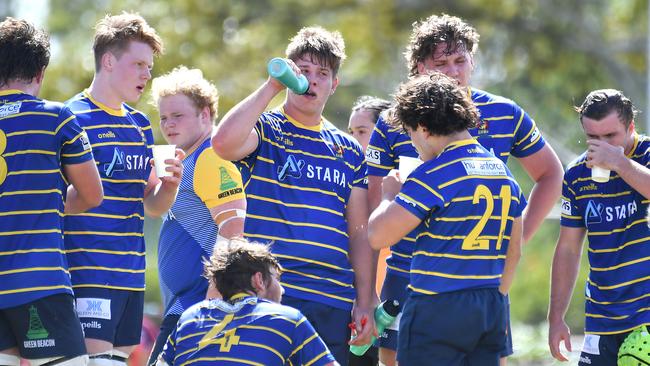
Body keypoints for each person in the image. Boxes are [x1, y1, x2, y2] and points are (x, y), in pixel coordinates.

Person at [365, 13, 564, 365]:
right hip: (410, 274)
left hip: (477, 276)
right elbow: (373, 214)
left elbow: (550, 174)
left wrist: (508, 246)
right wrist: (366, 292)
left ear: (473, 60)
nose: (453, 72)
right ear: (418, 68)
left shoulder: (504, 113)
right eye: (441, 63)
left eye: (460, 61)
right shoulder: (399, 118)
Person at [212, 26, 375, 365]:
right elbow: (223, 143)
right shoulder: (268, 128)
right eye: (303, 71)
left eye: (322, 73)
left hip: (332, 299)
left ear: (334, 84)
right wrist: (272, 84)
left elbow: (359, 233)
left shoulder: (349, 150)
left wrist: (364, 299)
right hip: (270, 291)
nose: (312, 80)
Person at [368, 73, 524, 366]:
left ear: (424, 129)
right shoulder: (503, 173)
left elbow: (378, 235)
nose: (412, 144)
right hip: (490, 304)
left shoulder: (433, 175)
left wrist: (389, 195)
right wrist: (496, 299)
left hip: (436, 307)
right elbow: (514, 252)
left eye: (410, 134)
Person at [63, 13, 184, 365]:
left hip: (131, 276)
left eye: (150, 66)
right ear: (109, 61)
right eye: (139, 64)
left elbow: (152, 205)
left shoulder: (140, 125)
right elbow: (55, 201)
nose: (148, 74)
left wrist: (170, 185)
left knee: (117, 360)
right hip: (87, 271)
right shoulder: (70, 118)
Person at [0, 17, 103, 366]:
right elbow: (92, 195)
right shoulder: (56, 118)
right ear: (41, 71)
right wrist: (49, 203)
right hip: (39, 282)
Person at [146, 66, 247, 364]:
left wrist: (214, 295)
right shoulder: (184, 160)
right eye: (163, 117)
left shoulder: (209, 156)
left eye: (178, 116)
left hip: (198, 307)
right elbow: (153, 209)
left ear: (205, 114)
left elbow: (233, 226)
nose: (168, 124)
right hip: (183, 307)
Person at [548, 89, 650, 365]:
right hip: (602, 318)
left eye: (610, 137)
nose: (601, 145)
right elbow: (568, 249)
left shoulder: (647, 154)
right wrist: (556, 318)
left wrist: (619, 163)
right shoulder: (577, 175)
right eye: (593, 137)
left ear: (630, 127)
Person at [155, 238, 338, 366]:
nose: (282, 289)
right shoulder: (288, 319)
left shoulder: (189, 318)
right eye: (276, 279)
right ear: (259, 280)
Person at [347, 95, 391, 366]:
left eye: (362, 132)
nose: (353, 139)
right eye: (351, 131)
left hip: (389, 302)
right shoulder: (348, 177)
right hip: (353, 304)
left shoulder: (398, 181)